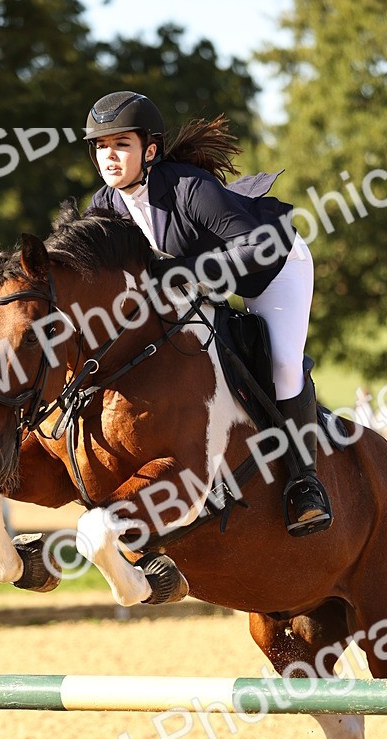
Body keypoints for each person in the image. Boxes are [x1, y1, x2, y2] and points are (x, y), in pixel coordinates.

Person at [84, 90, 331, 535]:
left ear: (150, 149)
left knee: (281, 362)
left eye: (122, 145)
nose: (110, 156)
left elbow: (259, 246)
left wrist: (190, 273)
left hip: (274, 271)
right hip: (203, 287)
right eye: (101, 146)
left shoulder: (188, 187)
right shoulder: (104, 207)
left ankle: (304, 482)